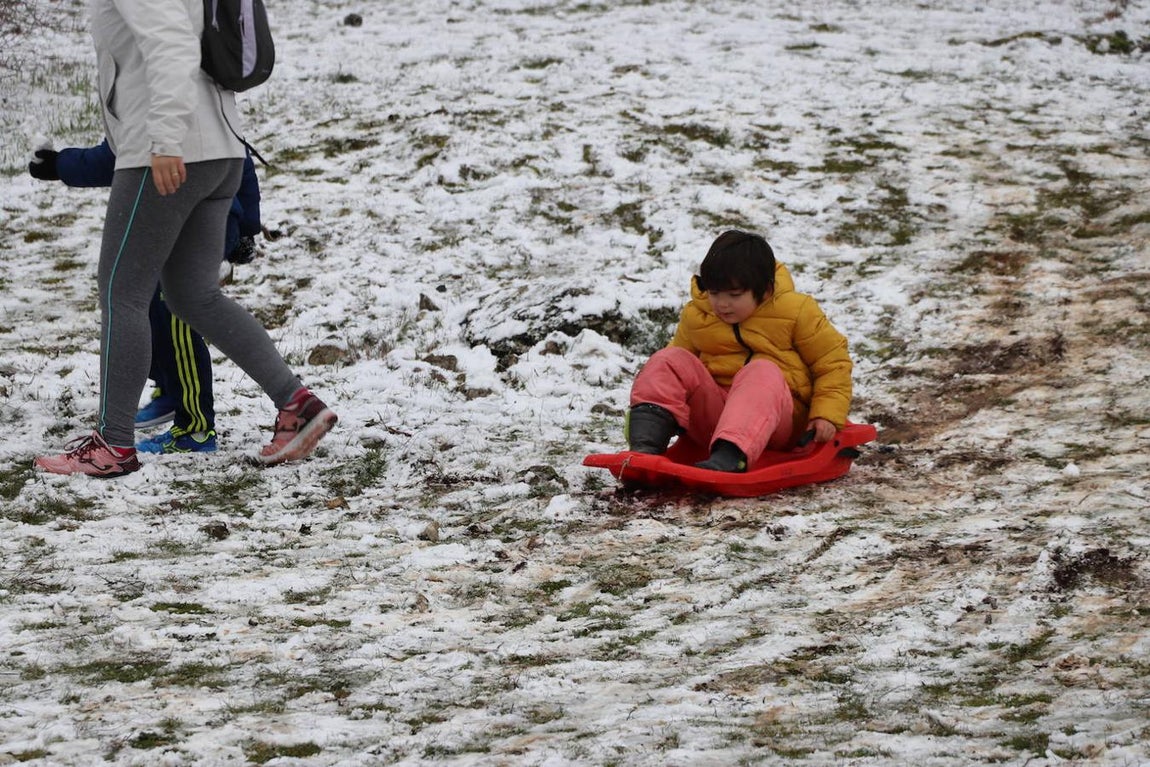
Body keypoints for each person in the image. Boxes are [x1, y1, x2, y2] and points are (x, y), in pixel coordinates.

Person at [33, 0, 337, 478]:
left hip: (170, 153)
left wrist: (165, 142)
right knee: (194, 296)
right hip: (220, 152)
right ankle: (296, 404)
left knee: (122, 293)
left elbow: (171, 45)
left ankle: (112, 445)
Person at [28, 138, 262, 455]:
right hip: (175, 217)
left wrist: (59, 164)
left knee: (176, 310)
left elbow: (118, 155)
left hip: (204, 219)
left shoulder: (167, 96)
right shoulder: (194, 95)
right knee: (146, 300)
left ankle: (195, 429)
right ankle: (171, 385)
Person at [625, 230, 853, 472]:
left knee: (762, 371)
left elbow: (832, 363)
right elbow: (672, 377)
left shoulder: (796, 312)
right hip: (714, 416)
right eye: (714, 293)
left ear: (764, 291)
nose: (722, 304)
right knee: (669, 359)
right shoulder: (698, 315)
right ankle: (645, 445)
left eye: (734, 295)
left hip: (775, 421)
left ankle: (734, 455)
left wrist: (826, 415)